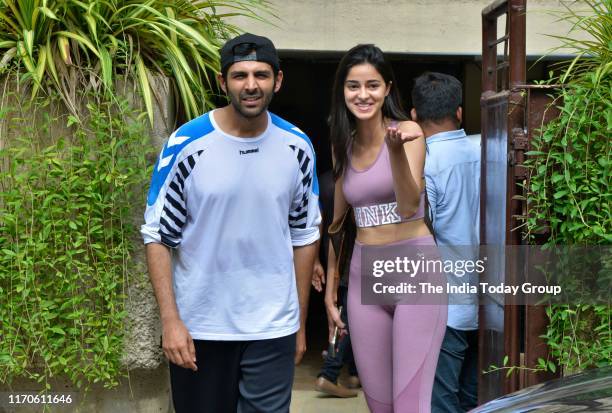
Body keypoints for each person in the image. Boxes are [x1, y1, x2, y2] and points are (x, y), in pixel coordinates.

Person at [141, 33, 321, 413]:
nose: (251, 85)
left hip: (273, 328)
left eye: (261, 74)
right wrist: (170, 322)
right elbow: (158, 235)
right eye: (239, 76)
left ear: (278, 80)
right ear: (223, 82)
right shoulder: (186, 143)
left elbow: (305, 235)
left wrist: (299, 323)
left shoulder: (297, 146)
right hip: (201, 328)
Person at [325, 44, 447, 413]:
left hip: (414, 271)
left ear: (387, 89)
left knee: (410, 405)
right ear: (342, 91)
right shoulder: (342, 144)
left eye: (372, 85)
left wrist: (394, 152)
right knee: (380, 406)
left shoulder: (408, 131)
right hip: (364, 280)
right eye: (353, 86)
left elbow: (410, 204)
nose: (363, 95)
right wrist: (331, 292)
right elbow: (338, 224)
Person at [411, 72, 480, 413]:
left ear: (413, 116)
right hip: (494, 303)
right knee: (477, 398)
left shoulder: (426, 165)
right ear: (460, 112)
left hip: (448, 304)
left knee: (440, 399)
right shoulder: (489, 148)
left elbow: (423, 236)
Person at [312, 170, 360, 398]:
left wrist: (315, 259)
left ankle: (353, 373)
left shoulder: (326, 181)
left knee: (351, 317)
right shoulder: (356, 177)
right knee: (347, 319)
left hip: (339, 256)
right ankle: (329, 373)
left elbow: (318, 222)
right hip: (353, 254)